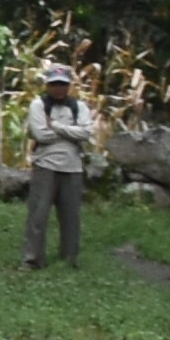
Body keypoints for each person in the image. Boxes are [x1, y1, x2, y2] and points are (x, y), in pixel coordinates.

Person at [20, 58, 102, 272]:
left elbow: (87, 132)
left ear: (69, 85)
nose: (59, 89)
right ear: (47, 85)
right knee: (38, 215)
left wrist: (55, 126)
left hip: (73, 166)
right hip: (46, 164)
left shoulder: (79, 107)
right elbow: (39, 133)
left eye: (63, 84)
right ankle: (33, 259)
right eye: (54, 84)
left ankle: (70, 258)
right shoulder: (38, 105)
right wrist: (69, 132)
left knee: (71, 216)